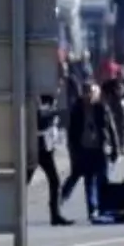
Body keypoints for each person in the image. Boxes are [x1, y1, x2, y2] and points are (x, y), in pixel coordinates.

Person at [60, 82, 120, 223]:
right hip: (83, 148)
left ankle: (98, 207)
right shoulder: (77, 109)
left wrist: (115, 148)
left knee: (97, 179)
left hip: (99, 148)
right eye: (86, 92)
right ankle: (66, 198)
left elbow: (111, 129)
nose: (89, 96)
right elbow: (72, 131)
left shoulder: (102, 108)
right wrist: (72, 149)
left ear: (97, 94)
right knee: (81, 177)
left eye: (91, 93)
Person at [27, 93, 73, 226]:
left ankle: (55, 214)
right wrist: (53, 114)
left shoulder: (52, 99)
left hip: (47, 149)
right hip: (35, 149)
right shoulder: (36, 99)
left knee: (55, 181)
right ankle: (13, 212)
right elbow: (39, 119)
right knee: (24, 182)